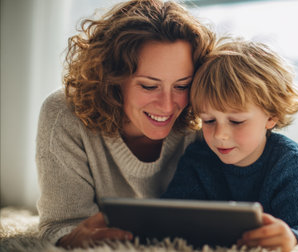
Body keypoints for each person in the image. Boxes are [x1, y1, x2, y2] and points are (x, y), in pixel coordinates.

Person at [35, 0, 215, 248]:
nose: (167, 105)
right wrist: (74, 237)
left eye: (182, 86)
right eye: (149, 86)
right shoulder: (64, 113)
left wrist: (287, 231)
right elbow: (59, 225)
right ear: (112, 78)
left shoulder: (207, 117)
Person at [161, 38, 298, 251]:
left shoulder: (291, 161)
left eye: (236, 121)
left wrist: (292, 238)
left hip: (295, 183)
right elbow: (171, 215)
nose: (220, 135)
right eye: (209, 121)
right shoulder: (198, 156)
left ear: (271, 116)